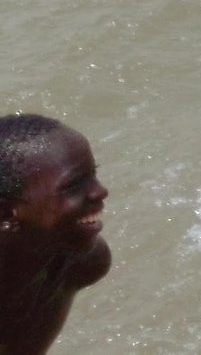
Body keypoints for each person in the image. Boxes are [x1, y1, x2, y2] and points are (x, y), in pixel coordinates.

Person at [0, 116, 111, 355]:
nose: (100, 191)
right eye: (73, 186)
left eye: (93, 174)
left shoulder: (79, 265)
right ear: (6, 212)